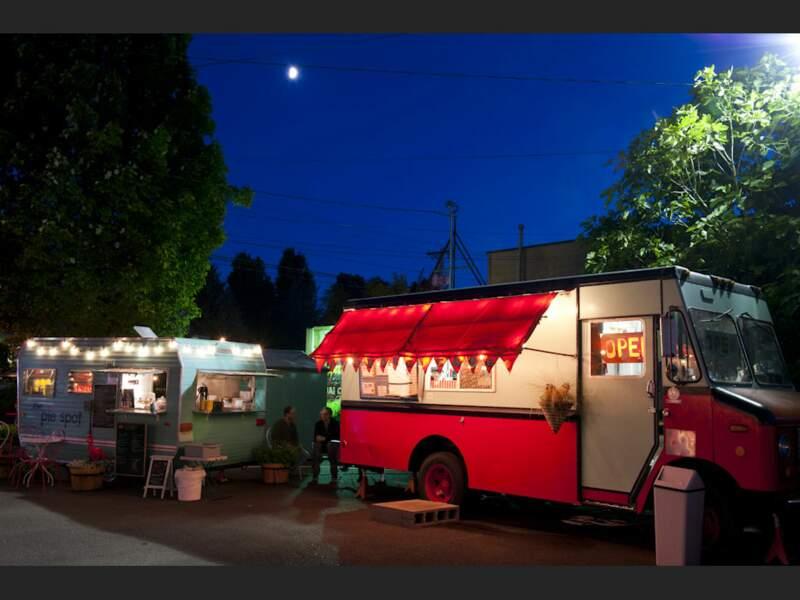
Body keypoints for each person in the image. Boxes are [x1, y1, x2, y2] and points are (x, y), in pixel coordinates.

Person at [311, 406, 340, 484]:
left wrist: (324, 438)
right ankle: (315, 476)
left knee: (331, 446)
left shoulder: (335, 423)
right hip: (322, 445)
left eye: (325, 414)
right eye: (321, 414)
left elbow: (335, 437)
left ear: (329, 415)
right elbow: (316, 437)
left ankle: (334, 477)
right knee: (316, 448)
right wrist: (327, 438)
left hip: (332, 445)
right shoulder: (318, 424)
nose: (323, 416)